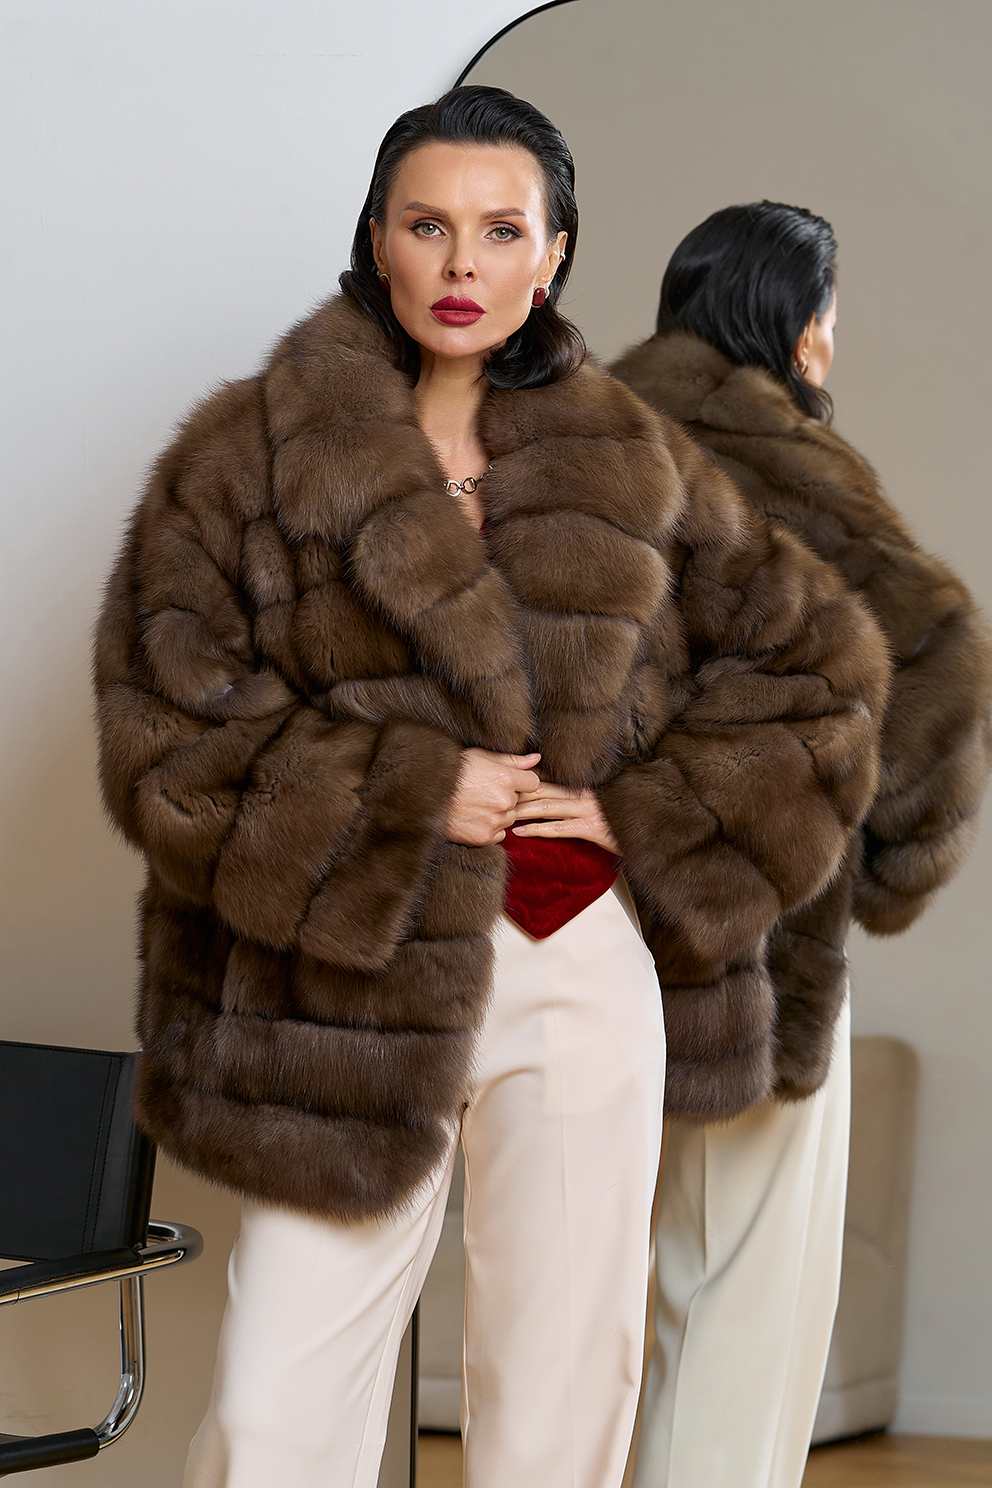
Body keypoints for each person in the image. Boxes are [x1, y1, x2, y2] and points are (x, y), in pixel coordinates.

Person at [95, 105, 888, 1488]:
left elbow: (822, 672)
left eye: (503, 229)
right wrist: (404, 792)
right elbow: (164, 733)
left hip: (570, 955)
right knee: (275, 1411)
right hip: (340, 980)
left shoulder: (635, 457)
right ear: (378, 243)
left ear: (554, 254)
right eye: (429, 224)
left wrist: (647, 814)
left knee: (560, 1400)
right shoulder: (244, 457)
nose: (463, 263)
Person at [611, 200, 992, 1488]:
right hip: (760, 940)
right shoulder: (786, 459)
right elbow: (940, 653)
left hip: (582, 921)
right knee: (740, 1295)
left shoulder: (586, 433)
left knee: (583, 1310)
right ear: (802, 328)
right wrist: (888, 862)